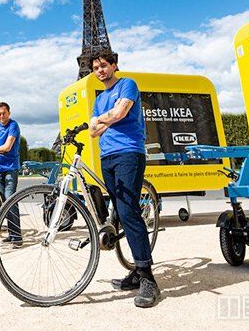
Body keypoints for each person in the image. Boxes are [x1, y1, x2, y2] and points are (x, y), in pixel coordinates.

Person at [88, 51, 161, 308]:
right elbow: (93, 132)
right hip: (107, 156)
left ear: (114, 66)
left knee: (129, 211)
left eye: (104, 66)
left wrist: (102, 119)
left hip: (129, 152)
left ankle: (148, 278)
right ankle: (135, 271)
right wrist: (102, 120)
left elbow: (119, 113)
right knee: (118, 212)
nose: (100, 70)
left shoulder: (127, 84)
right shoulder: (100, 99)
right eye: (96, 68)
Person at [0, 102, 21, 246]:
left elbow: (7, 146)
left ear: (9, 113)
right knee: (2, 202)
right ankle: (11, 234)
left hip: (11, 167)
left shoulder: (13, 125)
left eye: (4, 113)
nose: (1, 116)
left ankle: (18, 237)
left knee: (9, 199)